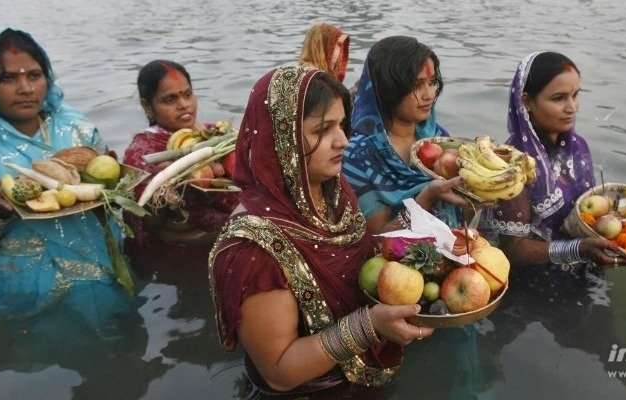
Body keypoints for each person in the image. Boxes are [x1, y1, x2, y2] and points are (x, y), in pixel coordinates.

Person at [209, 66, 433, 398]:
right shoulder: (253, 247)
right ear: (281, 139)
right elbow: (279, 372)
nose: (343, 140)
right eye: (322, 130)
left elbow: (358, 260)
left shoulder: (333, 191)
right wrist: (369, 326)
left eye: (342, 125)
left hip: (362, 377)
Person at [0, 27, 137, 329]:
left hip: (103, 284)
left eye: (34, 75)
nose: (26, 88)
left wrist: (109, 191)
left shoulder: (78, 132)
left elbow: (111, 217)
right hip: (23, 303)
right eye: (8, 78)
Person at [478, 51, 617, 267]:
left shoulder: (578, 148)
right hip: (533, 284)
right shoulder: (513, 164)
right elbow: (513, 250)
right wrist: (577, 249)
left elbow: (588, 214)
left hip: (586, 266)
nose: (572, 108)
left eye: (575, 95)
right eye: (558, 98)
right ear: (527, 102)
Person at [343, 36, 467, 234]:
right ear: (387, 89)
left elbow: (461, 215)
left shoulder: (438, 138)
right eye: (416, 85)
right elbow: (377, 240)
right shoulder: (358, 157)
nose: (429, 95)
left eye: (432, 82)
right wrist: (426, 198)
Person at [122, 59, 238, 270]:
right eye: (169, 99)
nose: (184, 105)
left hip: (223, 246)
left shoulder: (215, 135)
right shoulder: (143, 152)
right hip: (174, 261)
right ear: (148, 106)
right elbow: (151, 224)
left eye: (187, 94)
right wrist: (166, 185)